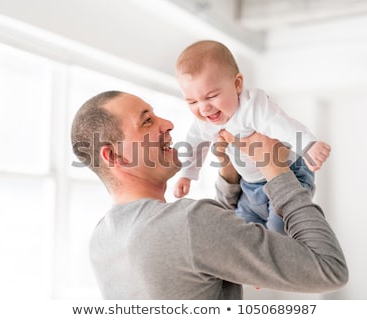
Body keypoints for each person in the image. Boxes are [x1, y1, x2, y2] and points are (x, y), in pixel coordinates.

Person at [70, 90, 348, 299]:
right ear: (113, 156)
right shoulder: (188, 224)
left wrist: (229, 171)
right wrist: (275, 168)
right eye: (146, 122)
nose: (167, 123)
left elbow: (205, 246)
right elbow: (329, 269)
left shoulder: (102, 240)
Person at [173, 40, 331, 234]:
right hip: (249, 187)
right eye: (192, 101)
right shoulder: (204, 123)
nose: (204, 108)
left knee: (277, 232)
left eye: (212, 96)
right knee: (244, 232)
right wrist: (187, 175)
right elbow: (194, 145)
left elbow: (280, 124)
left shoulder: (251, 106)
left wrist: (308, 144)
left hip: (288, 174)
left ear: (237, 84)